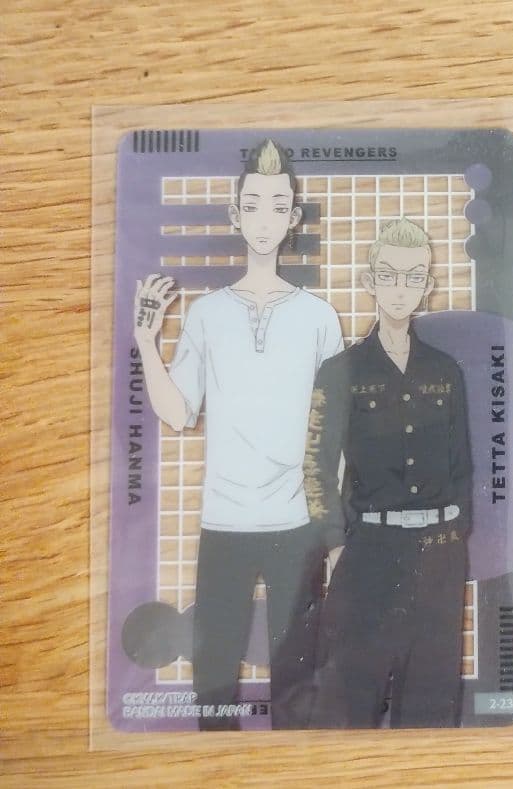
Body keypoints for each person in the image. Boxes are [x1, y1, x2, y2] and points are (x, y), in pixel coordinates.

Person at [133, 139, 343, 729]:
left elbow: (335, 435)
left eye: (277, 206)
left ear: (293, 217)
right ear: (235, 215)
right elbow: (177, 411)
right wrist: (146, 341)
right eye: (252, 206)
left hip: (298, 527)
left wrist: (335, 534)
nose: (264, 220)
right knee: (214, 686)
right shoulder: (207, 314)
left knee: (298, 687)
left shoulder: (320, 318)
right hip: (223, 522)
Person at [305, 218, 473, 728]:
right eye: (389, 275)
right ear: (370, 281)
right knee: (348, 708)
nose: (401, 288)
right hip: (368, 556)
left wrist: (454, 537)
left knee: (431, 709)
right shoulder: (340, 372)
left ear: (428, 286)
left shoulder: (445, 372)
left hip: (439, 559)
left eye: (413, 277)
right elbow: (315, 467)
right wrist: (337, 547)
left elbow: (462, 466)